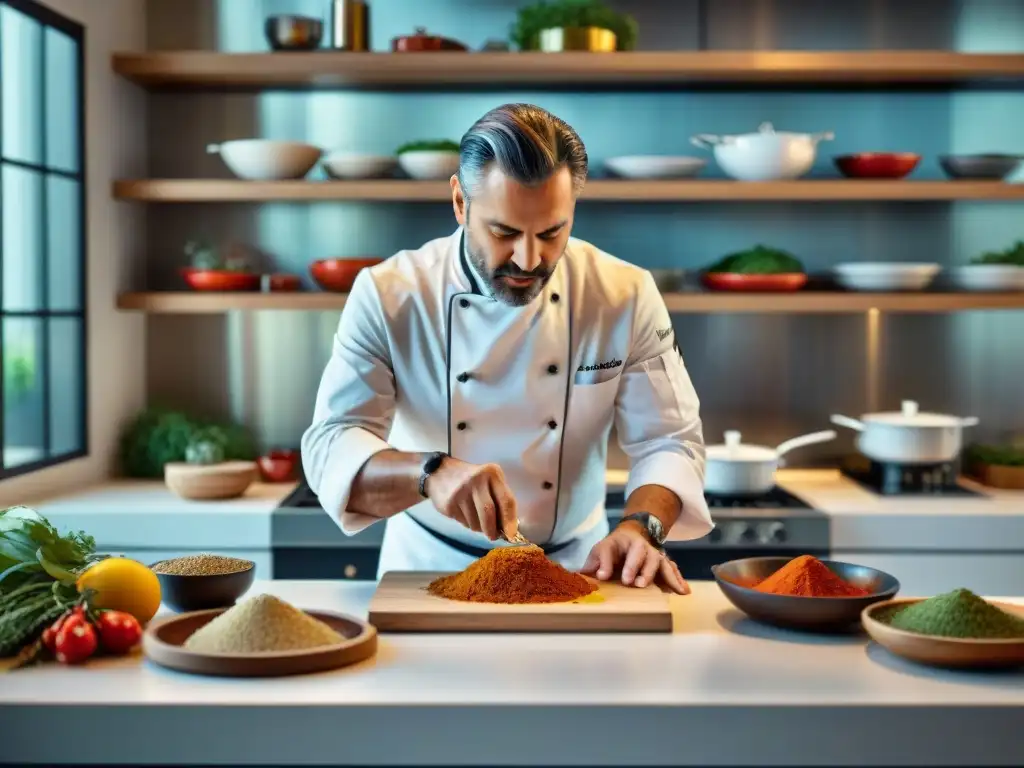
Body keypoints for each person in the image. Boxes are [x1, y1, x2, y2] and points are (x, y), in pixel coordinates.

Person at [302, 103, 713, 593]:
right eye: (504, 232)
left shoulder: (624, 294)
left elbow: (671, 440)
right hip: (426, 567)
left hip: (580, 569)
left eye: (552, 232)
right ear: (460, 202)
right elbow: (332, 443)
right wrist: (428, 472)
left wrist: (642, 527)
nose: (529, 258)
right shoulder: (390, 294)